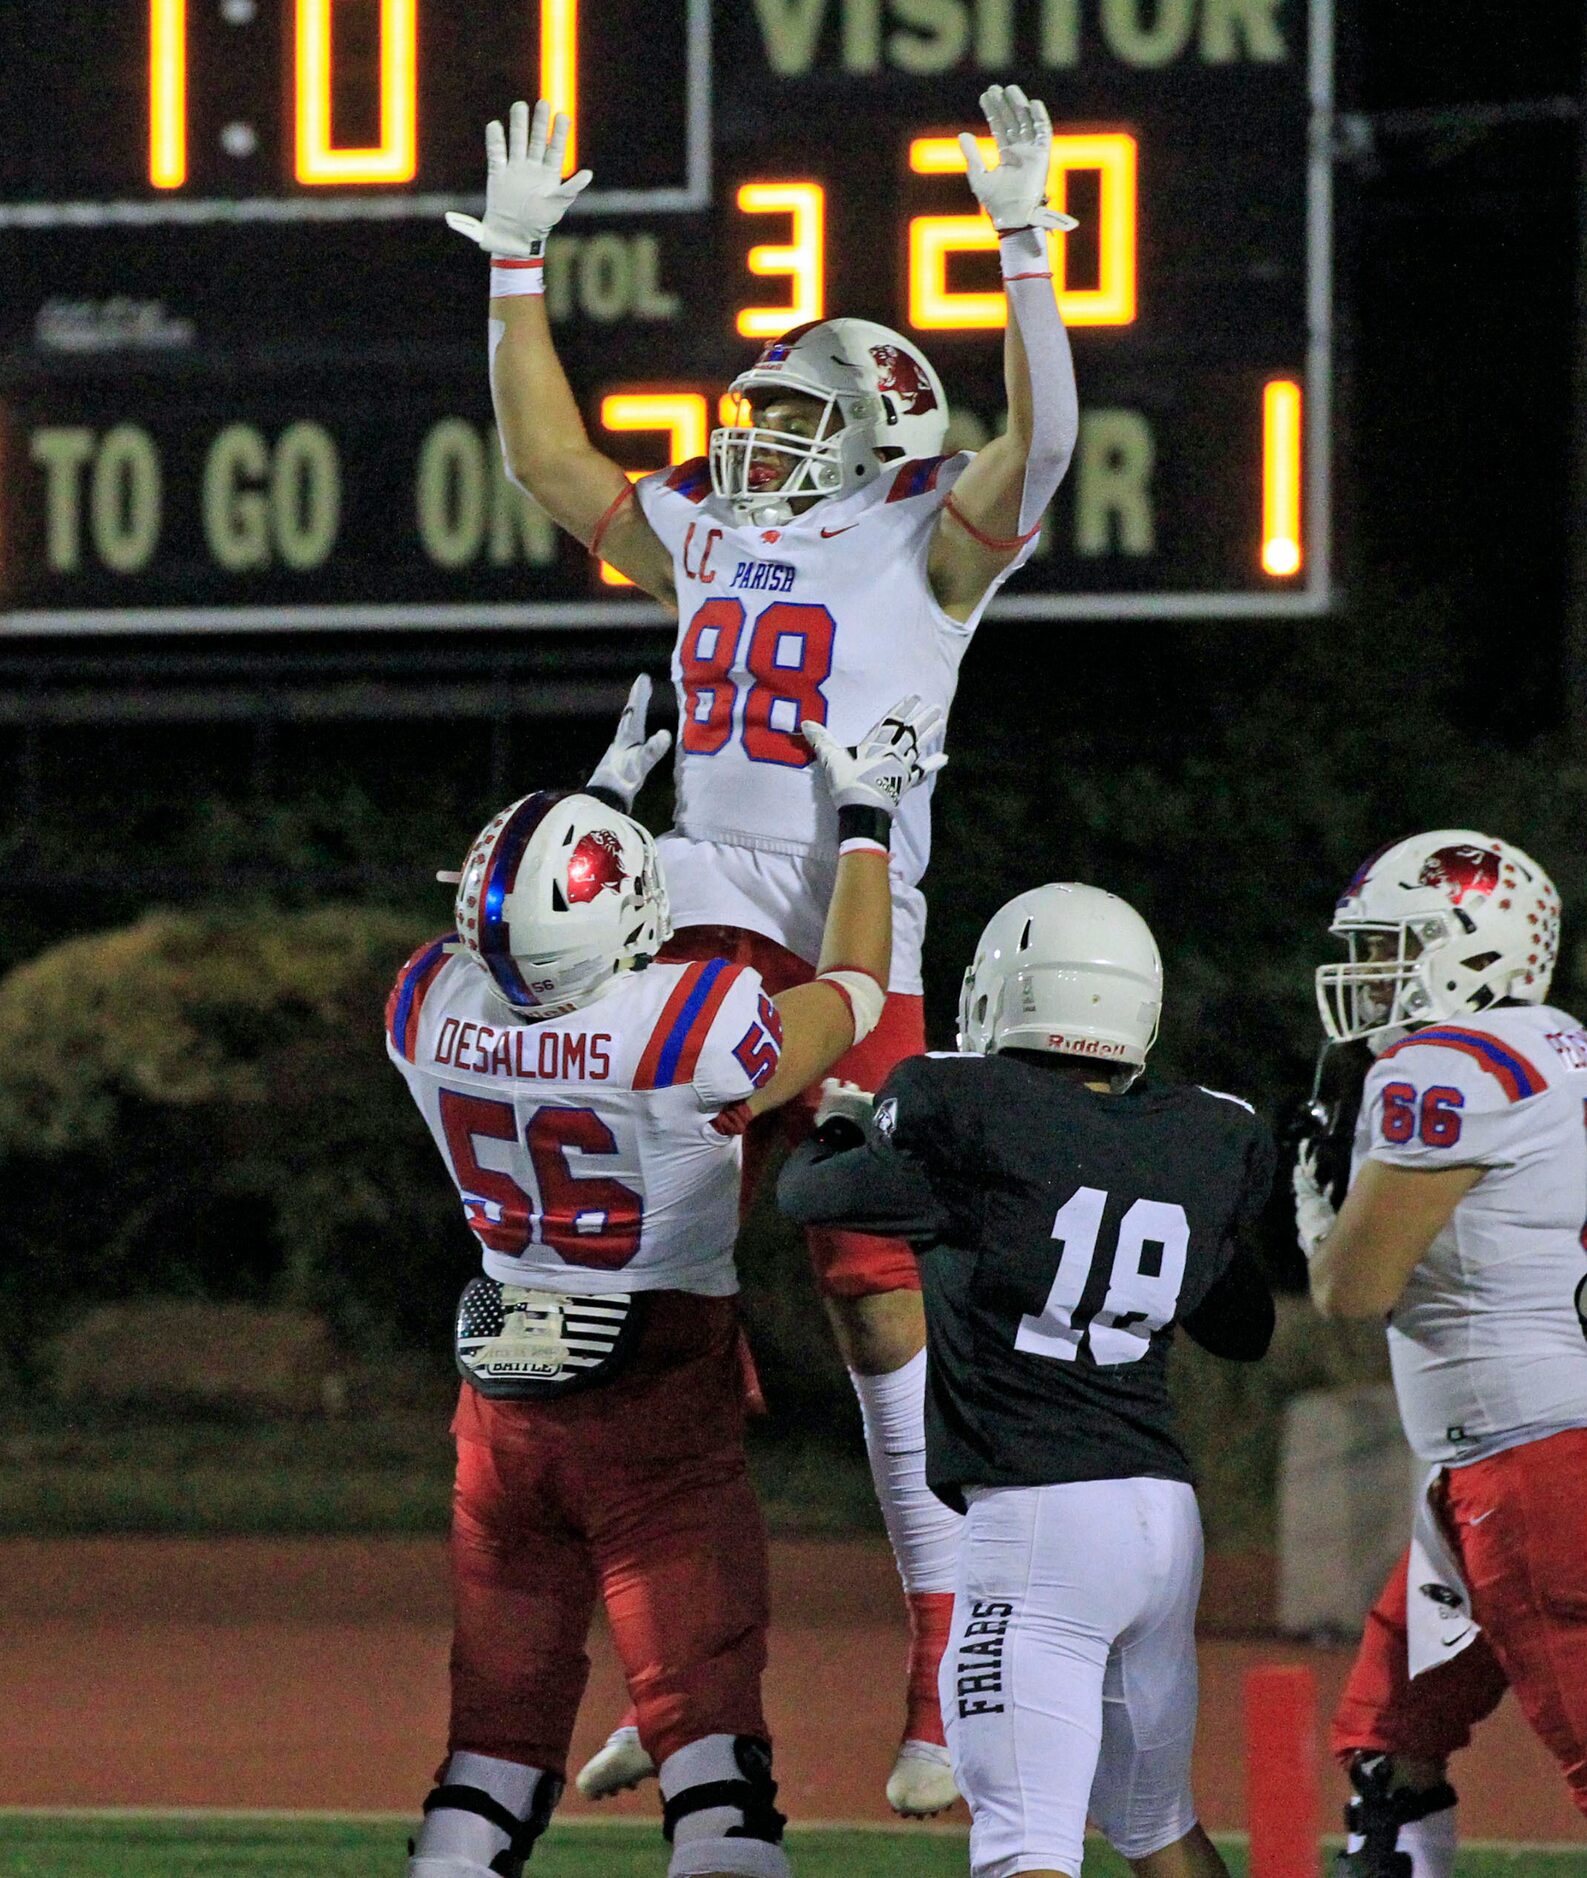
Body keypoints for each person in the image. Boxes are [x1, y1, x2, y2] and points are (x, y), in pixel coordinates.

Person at [445, 82, 1081, 1813]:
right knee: (643, 1287)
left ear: (880, 430)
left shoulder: (928, 539)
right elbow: (553, 465)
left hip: (845, 928)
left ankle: (949, 1664)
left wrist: (1025, 249)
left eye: (795, 413)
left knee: (875, 1297)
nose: (756, 437)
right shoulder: (715, 532)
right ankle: (686, 1659)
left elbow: (1045, 448)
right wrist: (513, 269)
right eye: (758, 411)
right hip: (680, 926)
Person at [387, 698, 942, 1878]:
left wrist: (591, 821)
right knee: (711, 1757)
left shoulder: (424, 1012)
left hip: (500, 1405)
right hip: (651, 1392)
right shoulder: (682, 1027)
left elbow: (512, 953)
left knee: (488, 1753)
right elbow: (850, 985)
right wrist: (861, 822)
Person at [776, 883, 1276, 1878]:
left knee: (1025, 1845)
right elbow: (1244, 1325)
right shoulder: (1200, 1133)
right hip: (1161, 1521)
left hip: (1039, 1523)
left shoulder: (969, 1109)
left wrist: (840, 1124)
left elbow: (811, 1196)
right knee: (1159, 1827)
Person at [1294, 829, 1587, 1877]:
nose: (1370, 973)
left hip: (1536, 1466)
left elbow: (1352, 1289)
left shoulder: (1446, 1068)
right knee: (1389, 1735)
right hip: (1502, 1460)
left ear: (1473, 947)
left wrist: (1317, 1212)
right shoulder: (1558, 1046)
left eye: (1393, 945)